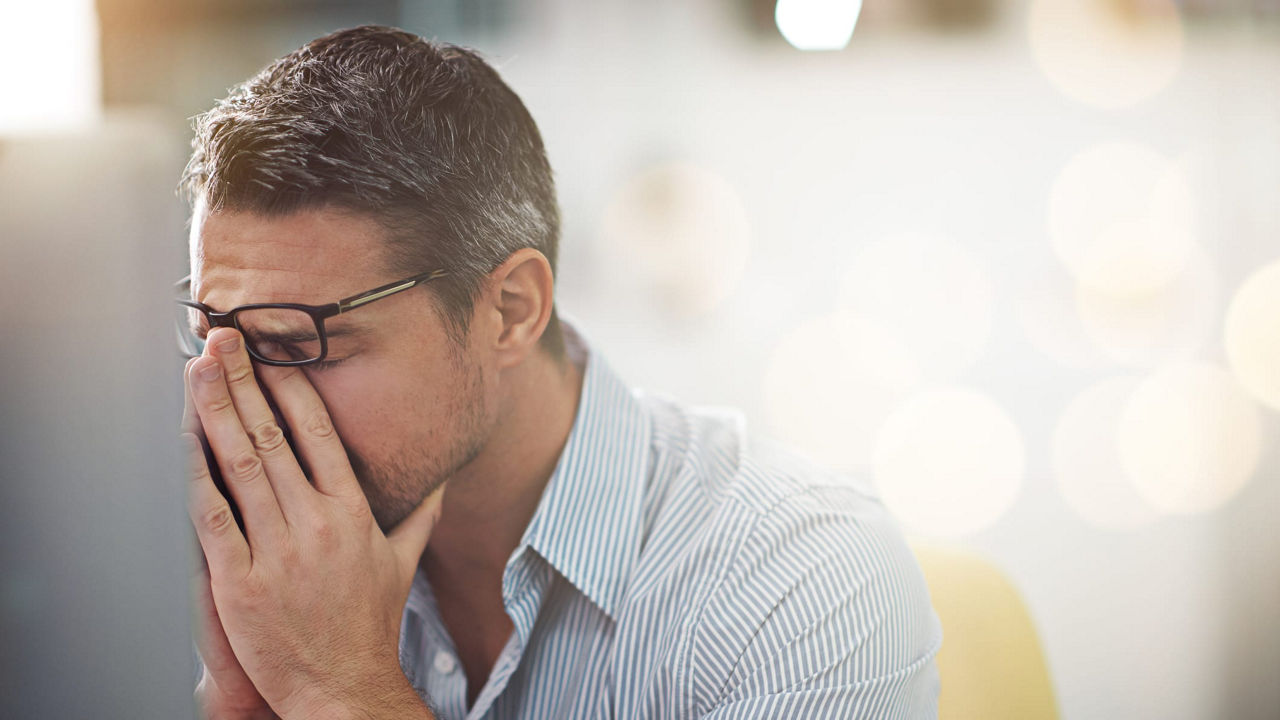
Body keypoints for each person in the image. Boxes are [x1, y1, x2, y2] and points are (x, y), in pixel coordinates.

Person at [178, 25, 941, 720]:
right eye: (210, 337)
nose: (246, 411)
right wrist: (244, 702)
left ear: (510, 310)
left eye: (300, 344)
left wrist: (340, 688)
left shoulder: (808, 579)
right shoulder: (263, 581)